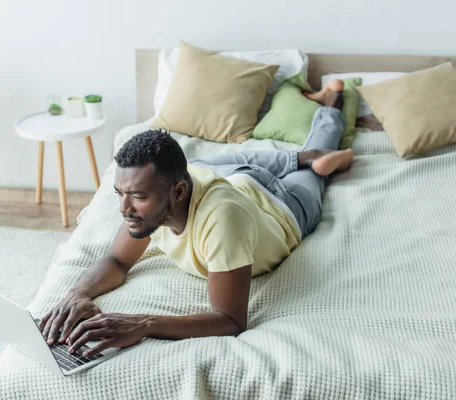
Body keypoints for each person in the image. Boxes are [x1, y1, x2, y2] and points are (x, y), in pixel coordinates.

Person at [39, 79, 354, 358]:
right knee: (212, 162)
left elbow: (230, 320)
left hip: (285, 205)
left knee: (318, 167)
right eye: (119, 193)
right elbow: (117, 261)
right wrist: (77, 292)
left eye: (136, 196)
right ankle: (295, 158)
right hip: (231, 176)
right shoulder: (150, 201)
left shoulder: (222, 219)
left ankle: (331, 106)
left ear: (177, 192)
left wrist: (142, 323)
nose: (124, 208)